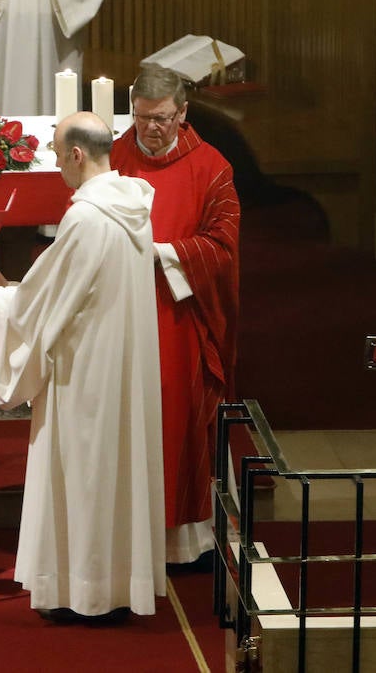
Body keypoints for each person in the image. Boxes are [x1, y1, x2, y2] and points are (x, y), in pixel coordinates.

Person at [0, 112, 164, 619]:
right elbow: (70, 288)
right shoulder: (133, 206)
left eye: (55, 151)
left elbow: (51, 304)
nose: (55, 163)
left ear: (76, 154)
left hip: (85, 369)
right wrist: (14, 292)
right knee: (110, 471)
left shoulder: (87, 217)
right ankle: (111, 586)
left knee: (84, 472)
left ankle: (83, 592)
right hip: (121, 362)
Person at [110, 68, 240, 565]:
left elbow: (224, 246)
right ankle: (126, 535)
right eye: (143, 118)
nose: (152, 129)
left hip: (178, 314)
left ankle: (184, 543)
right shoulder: (113, 158)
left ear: (183, 114)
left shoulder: (212, 168)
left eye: (162, 119)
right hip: (118, 313)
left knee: (176, 419)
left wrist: (163, 254)